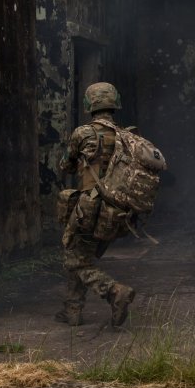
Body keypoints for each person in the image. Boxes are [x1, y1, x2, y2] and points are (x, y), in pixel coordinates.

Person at [56, 82, 136, 328]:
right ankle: (72, 311)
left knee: (74, 259)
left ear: (90, 104)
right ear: (115, 103)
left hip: (89, 205)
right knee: (82, 255)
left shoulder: (83, 133)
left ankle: (113, 291)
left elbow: (66, 166)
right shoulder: (127, 136)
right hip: (114, 209)